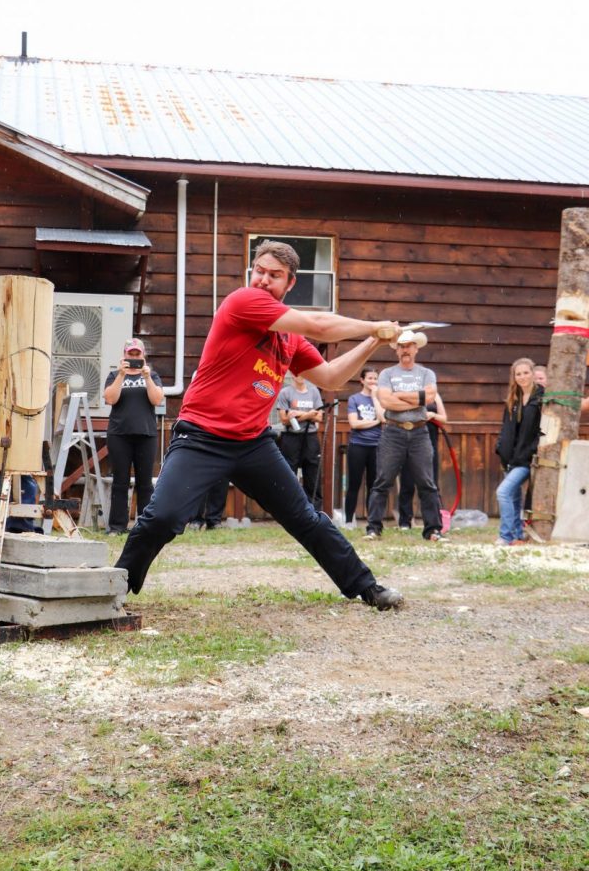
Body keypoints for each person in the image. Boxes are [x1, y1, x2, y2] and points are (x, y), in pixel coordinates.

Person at [115, 240, 405, 610]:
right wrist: (375, 324)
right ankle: (116, 588)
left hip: (253, 443)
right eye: (260, 271)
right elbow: (319, 323)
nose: (264, 280)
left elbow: (331, 377)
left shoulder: (290, 341)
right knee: (163, 517)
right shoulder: (242, 302)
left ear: (290, 284)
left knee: (305, 518)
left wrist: (372, 341)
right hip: (201, 436)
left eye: (275, 276)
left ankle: (368, 588)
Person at [365, 330, 445, 542]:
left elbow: (428, 398)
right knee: (383, 480)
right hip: (393, 431)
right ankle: (374, 527)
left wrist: (398, 395)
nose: (405, 349)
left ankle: (433, 530)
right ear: (397, 350)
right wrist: (414, 399)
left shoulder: (426, 373)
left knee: (427, 482)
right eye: (401, 346)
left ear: (416, 348)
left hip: (420, 431)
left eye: (409, 345)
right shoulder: (387, 374)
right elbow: (386, 402)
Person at [103, 338, 164, 534]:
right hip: (119, 435)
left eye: (138, 354)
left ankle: (144, 527)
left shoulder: (152, 376)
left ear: (143, 355)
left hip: (146, 435)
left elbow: (156, 399)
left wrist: (146, 377)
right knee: (120, 482)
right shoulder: (114, 375)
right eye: (131, 354)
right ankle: (117, 526)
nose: (135, 357)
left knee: (145, 483)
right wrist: (121, 374)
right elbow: (110, 398)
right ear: (124, 355)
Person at [494, 357, 544, 545]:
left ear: (532, 373)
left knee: (503, 492)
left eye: (526, 372)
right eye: (518, 374)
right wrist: (500, 448)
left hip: (525, 459)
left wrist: (531, 451)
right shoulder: (513, 399)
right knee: (514, 499)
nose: (522, 377)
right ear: (514, 377)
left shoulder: (541, 398)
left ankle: (505, 536)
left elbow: (542, 431)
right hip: (509, 457)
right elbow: (505, 428)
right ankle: (516, 535)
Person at [397, 393, 448, 529]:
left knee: (431, 483)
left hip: (430, 443)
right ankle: (405, 521)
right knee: (407, 482)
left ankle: (434, 521)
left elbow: (444, 418)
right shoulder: (409, 394)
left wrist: (433, 415)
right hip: (409, 442)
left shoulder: (436, 396)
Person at [276, 373, 324, 509]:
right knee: (289, 473)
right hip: (290, 438)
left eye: (303, 372)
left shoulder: (314, 392)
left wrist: (297, 414)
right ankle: (288, 509)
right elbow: (284, 420)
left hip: (310, 437)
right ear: (291, 374)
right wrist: (308, 415)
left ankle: (314, 511)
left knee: (312, 474)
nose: (300, 375)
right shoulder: (285, 393)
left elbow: (319, 417)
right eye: (297, 372)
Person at [344, 366, 384, 527]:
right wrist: (375, 422)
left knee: (373, 485)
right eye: (370, 378)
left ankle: (372, 522)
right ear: (362, 380)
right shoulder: (354, 399)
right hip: (358, 445)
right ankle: (348, 521)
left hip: (377, 445)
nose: (373, 381)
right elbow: (354, 423)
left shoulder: (380, 399)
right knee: (354, 484)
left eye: (375, 378)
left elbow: (384, 418)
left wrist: (375, 397)